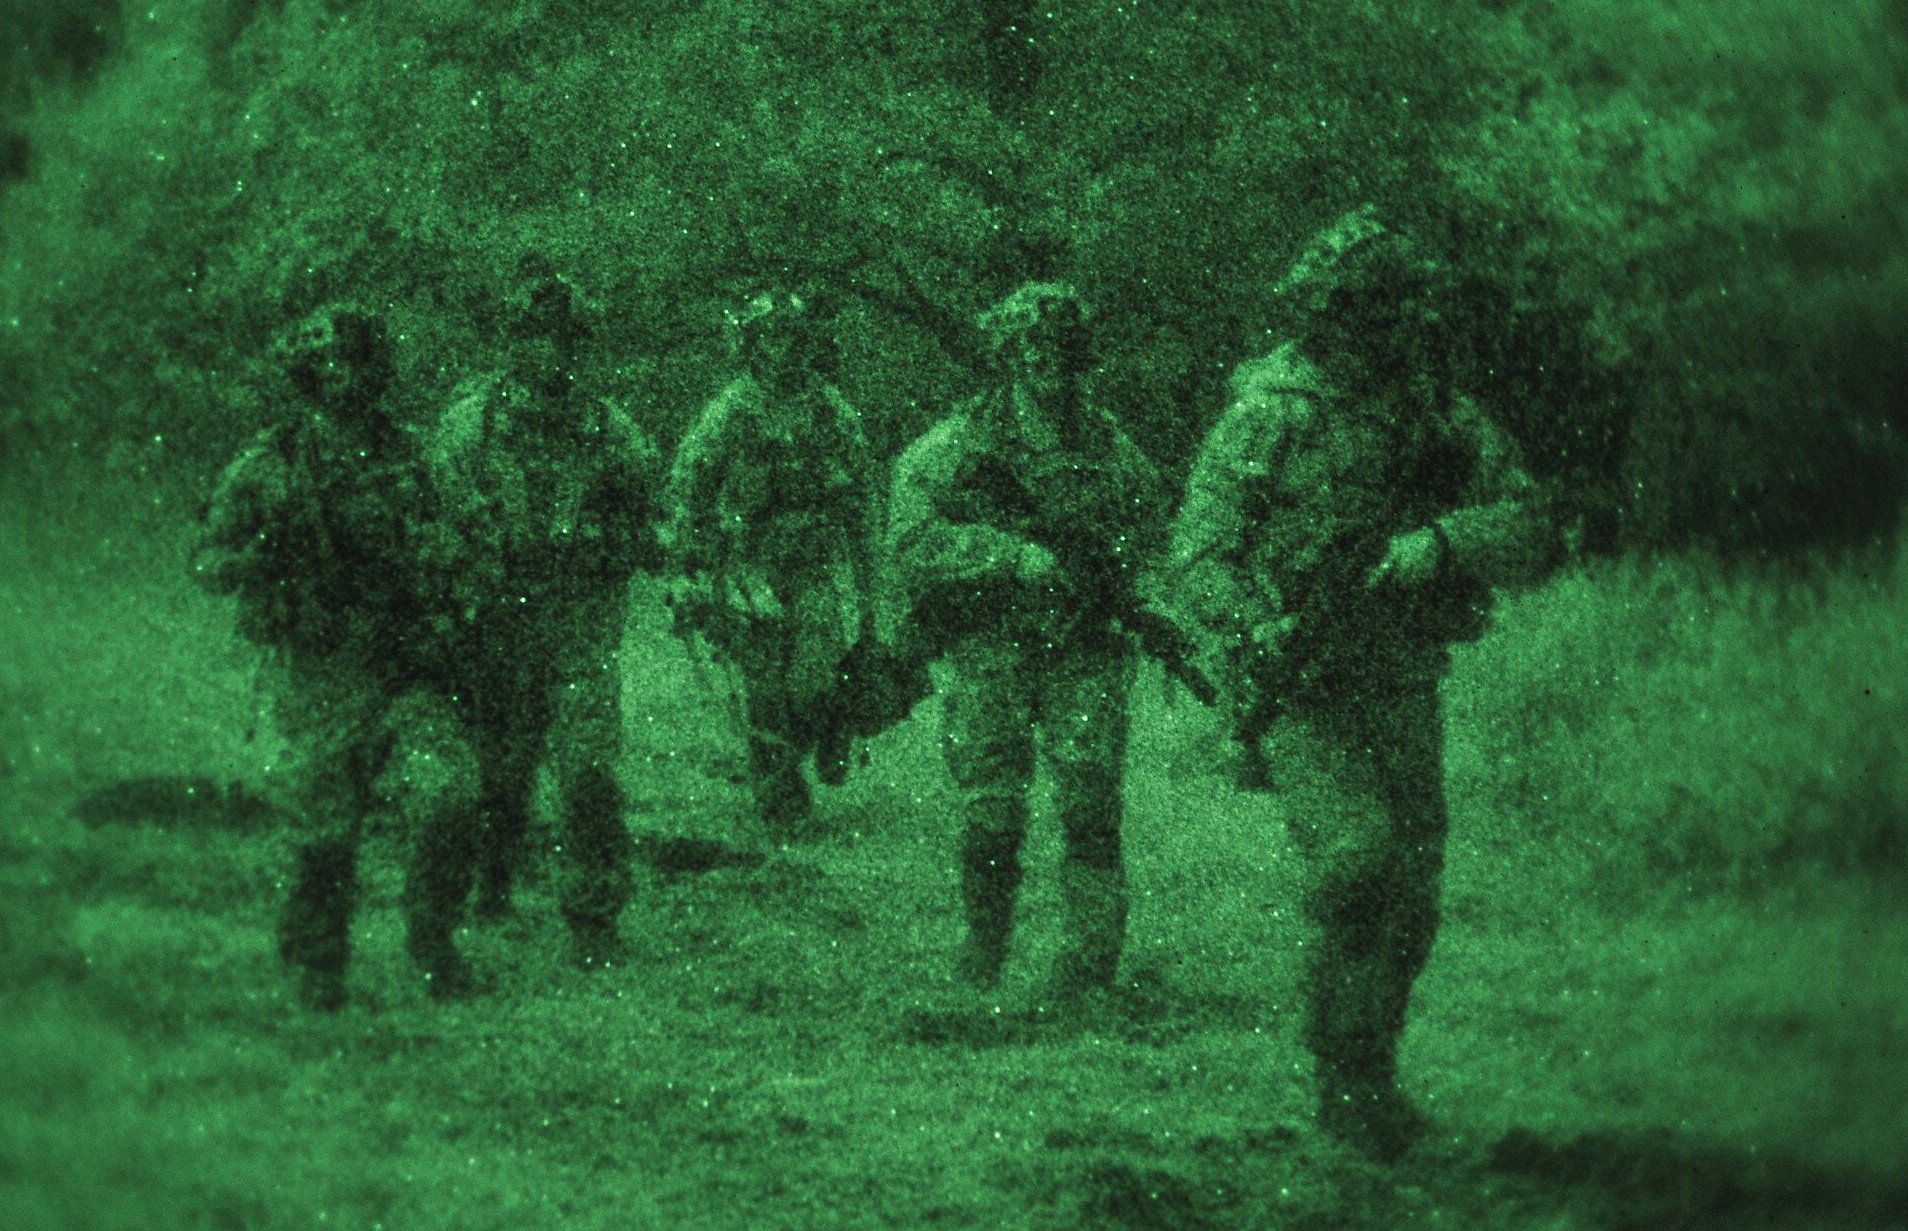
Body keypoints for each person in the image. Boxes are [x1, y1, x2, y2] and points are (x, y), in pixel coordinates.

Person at [1159, 207, 1565, 1158]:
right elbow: (1198, 556)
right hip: (1300, 686)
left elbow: (1533, 521)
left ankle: (1370, 1082)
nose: (1395, 326)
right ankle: (1339, 1075)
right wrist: (1258, 625)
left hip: (1400, 679)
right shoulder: (1270, 412)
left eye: (1401, 308)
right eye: (1376, 308)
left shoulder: (1436, 413)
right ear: (1335, 311)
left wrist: (1440, 543)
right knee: (1358, 859)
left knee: (1414, 894)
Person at [878, 281, 1180, 999]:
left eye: (1067, 354)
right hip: (991, 646)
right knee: (992, 806)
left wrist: (1145, 601)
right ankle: (983, 955)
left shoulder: (1114, 450)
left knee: (1091, 802)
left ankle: (1091, 965)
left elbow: (1149, 540)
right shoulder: (958, 446)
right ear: (1010, 357)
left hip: (1084, 647)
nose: (1051, 367)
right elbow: (912, 537)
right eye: (1035, 352)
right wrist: (1013, 555)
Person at [194, 304, 477, 1010]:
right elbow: (205, 560)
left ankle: (433, 937)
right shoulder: (270, 463)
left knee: (451, 793)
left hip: (403, 667)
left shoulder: (415, 454)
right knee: (323, 832)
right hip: (316, 674)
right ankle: (318, 964)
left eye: (354, 361)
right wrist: (264, 558)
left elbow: (471, 540)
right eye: (327, 363)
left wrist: (449, 590)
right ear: (306, 373)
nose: (341, 376)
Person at [425, 267, 662, 968]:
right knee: (503, 765)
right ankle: (493, 884)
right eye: (534, 338)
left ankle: (593, 918)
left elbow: (651, 527)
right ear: (511, 344)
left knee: (588, 768)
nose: (550, 354)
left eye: (565, 340)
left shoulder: (612, 431)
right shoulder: (472, 426)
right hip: (496, 621)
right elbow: (438, 527)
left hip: (581, 621)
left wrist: (612, 540)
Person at [662, 288, 877, 833]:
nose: (786, 349)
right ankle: (779, 788)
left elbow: (860, 498)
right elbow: (689, 487)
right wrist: (688, 569)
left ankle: (828, 731)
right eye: (774, 338)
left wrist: (871, 585)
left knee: (815, 677)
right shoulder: (730, 410)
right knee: (763, 686)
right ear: (753, 346)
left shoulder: (831, 411)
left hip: (811, 566)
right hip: (746, 568)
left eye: (796, 338)